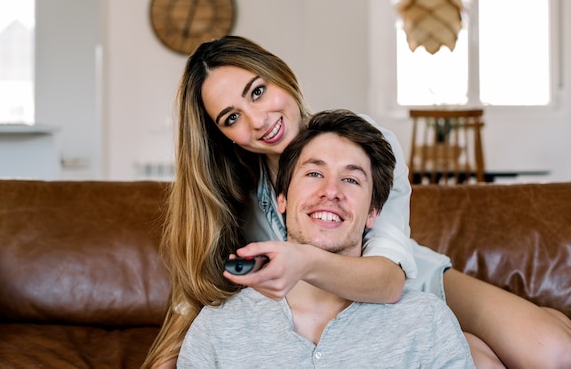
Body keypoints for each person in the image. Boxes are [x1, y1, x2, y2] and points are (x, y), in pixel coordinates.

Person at [142, 36, 571, 369]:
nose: (257, 120)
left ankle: (547, 322)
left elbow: (388, 282)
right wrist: (172, 350)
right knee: (476, 358)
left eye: (257, 92)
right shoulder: (232, 186)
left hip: (408, 280)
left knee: (553, 353)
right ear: (222, 134)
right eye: (231, 117)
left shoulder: (360, 141)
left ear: (280, 75)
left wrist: (302, 261)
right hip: (341, 312)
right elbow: (197, 287)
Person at [177, 109, 476, 368]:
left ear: (373, 212)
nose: (331, 191)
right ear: (281, 198)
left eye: (351, 179)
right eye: (314, 174)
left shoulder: (426, 323)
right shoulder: (218, 327)